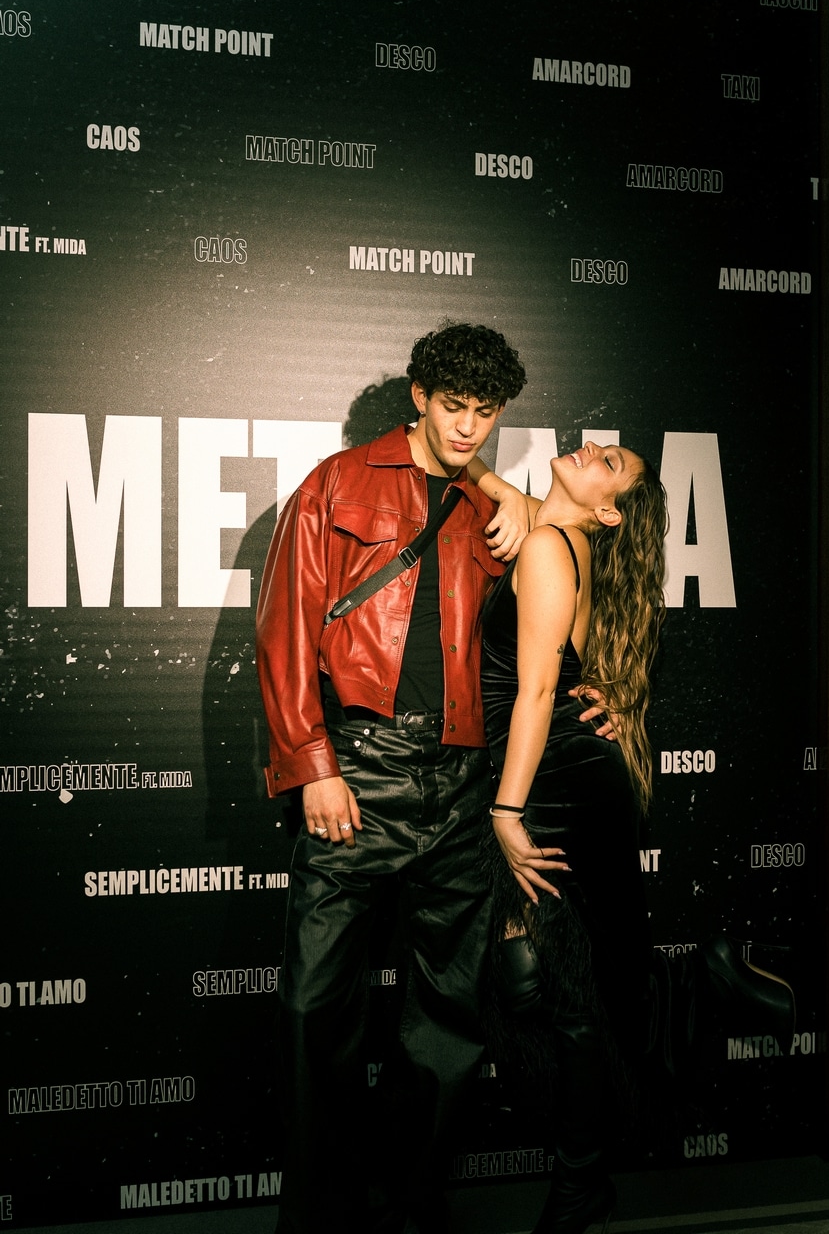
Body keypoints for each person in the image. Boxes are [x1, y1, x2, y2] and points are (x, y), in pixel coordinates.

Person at [256, 322, 535, 1234]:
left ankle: (417, 1203)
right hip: (358, 770)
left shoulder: (490, 505)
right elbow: (285, 631)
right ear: (419, 397)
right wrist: (313, 765)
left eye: (485, 412)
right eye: (453, 406)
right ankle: (322, 1213)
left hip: (456, 780)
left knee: (449, 1014)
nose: (467, 427)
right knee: (312, 1005)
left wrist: (509, 495)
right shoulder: (334, 485)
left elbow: (543, 623)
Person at [479, 441, 795, 1234]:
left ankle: (580, 1179)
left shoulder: (551, 546)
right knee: (550, 984)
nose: (593, 449)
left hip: (548, 784)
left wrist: (506, 813)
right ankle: (693, 994)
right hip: (558, 773)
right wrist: (494, 484)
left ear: (608, 509)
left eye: (611, 464)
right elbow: (473, 477)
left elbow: (539, 690)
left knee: (560, 988)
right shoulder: (557, 536)